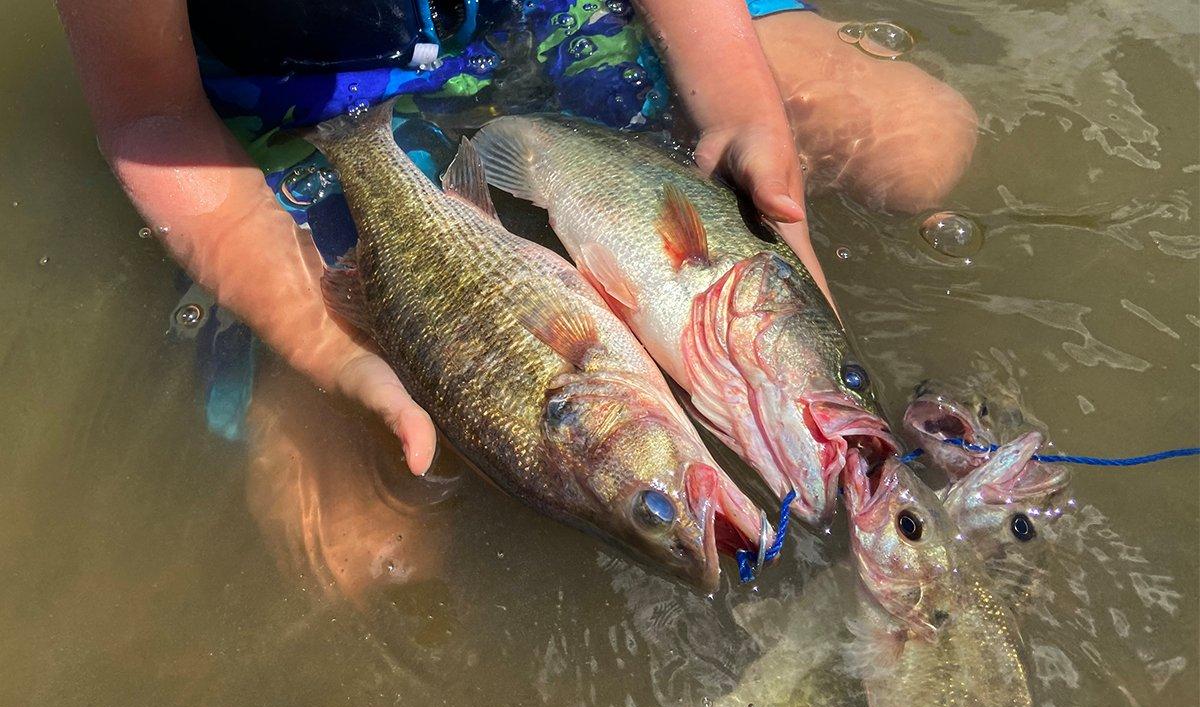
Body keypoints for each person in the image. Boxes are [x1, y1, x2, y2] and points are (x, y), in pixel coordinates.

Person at [56, 0, 975, 595]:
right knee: (372, 553)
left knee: (927, 140)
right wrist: (330, 347)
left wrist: (744, 117)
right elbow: (150, 115)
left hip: (548, 14)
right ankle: (301, 353)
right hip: (289, 98)